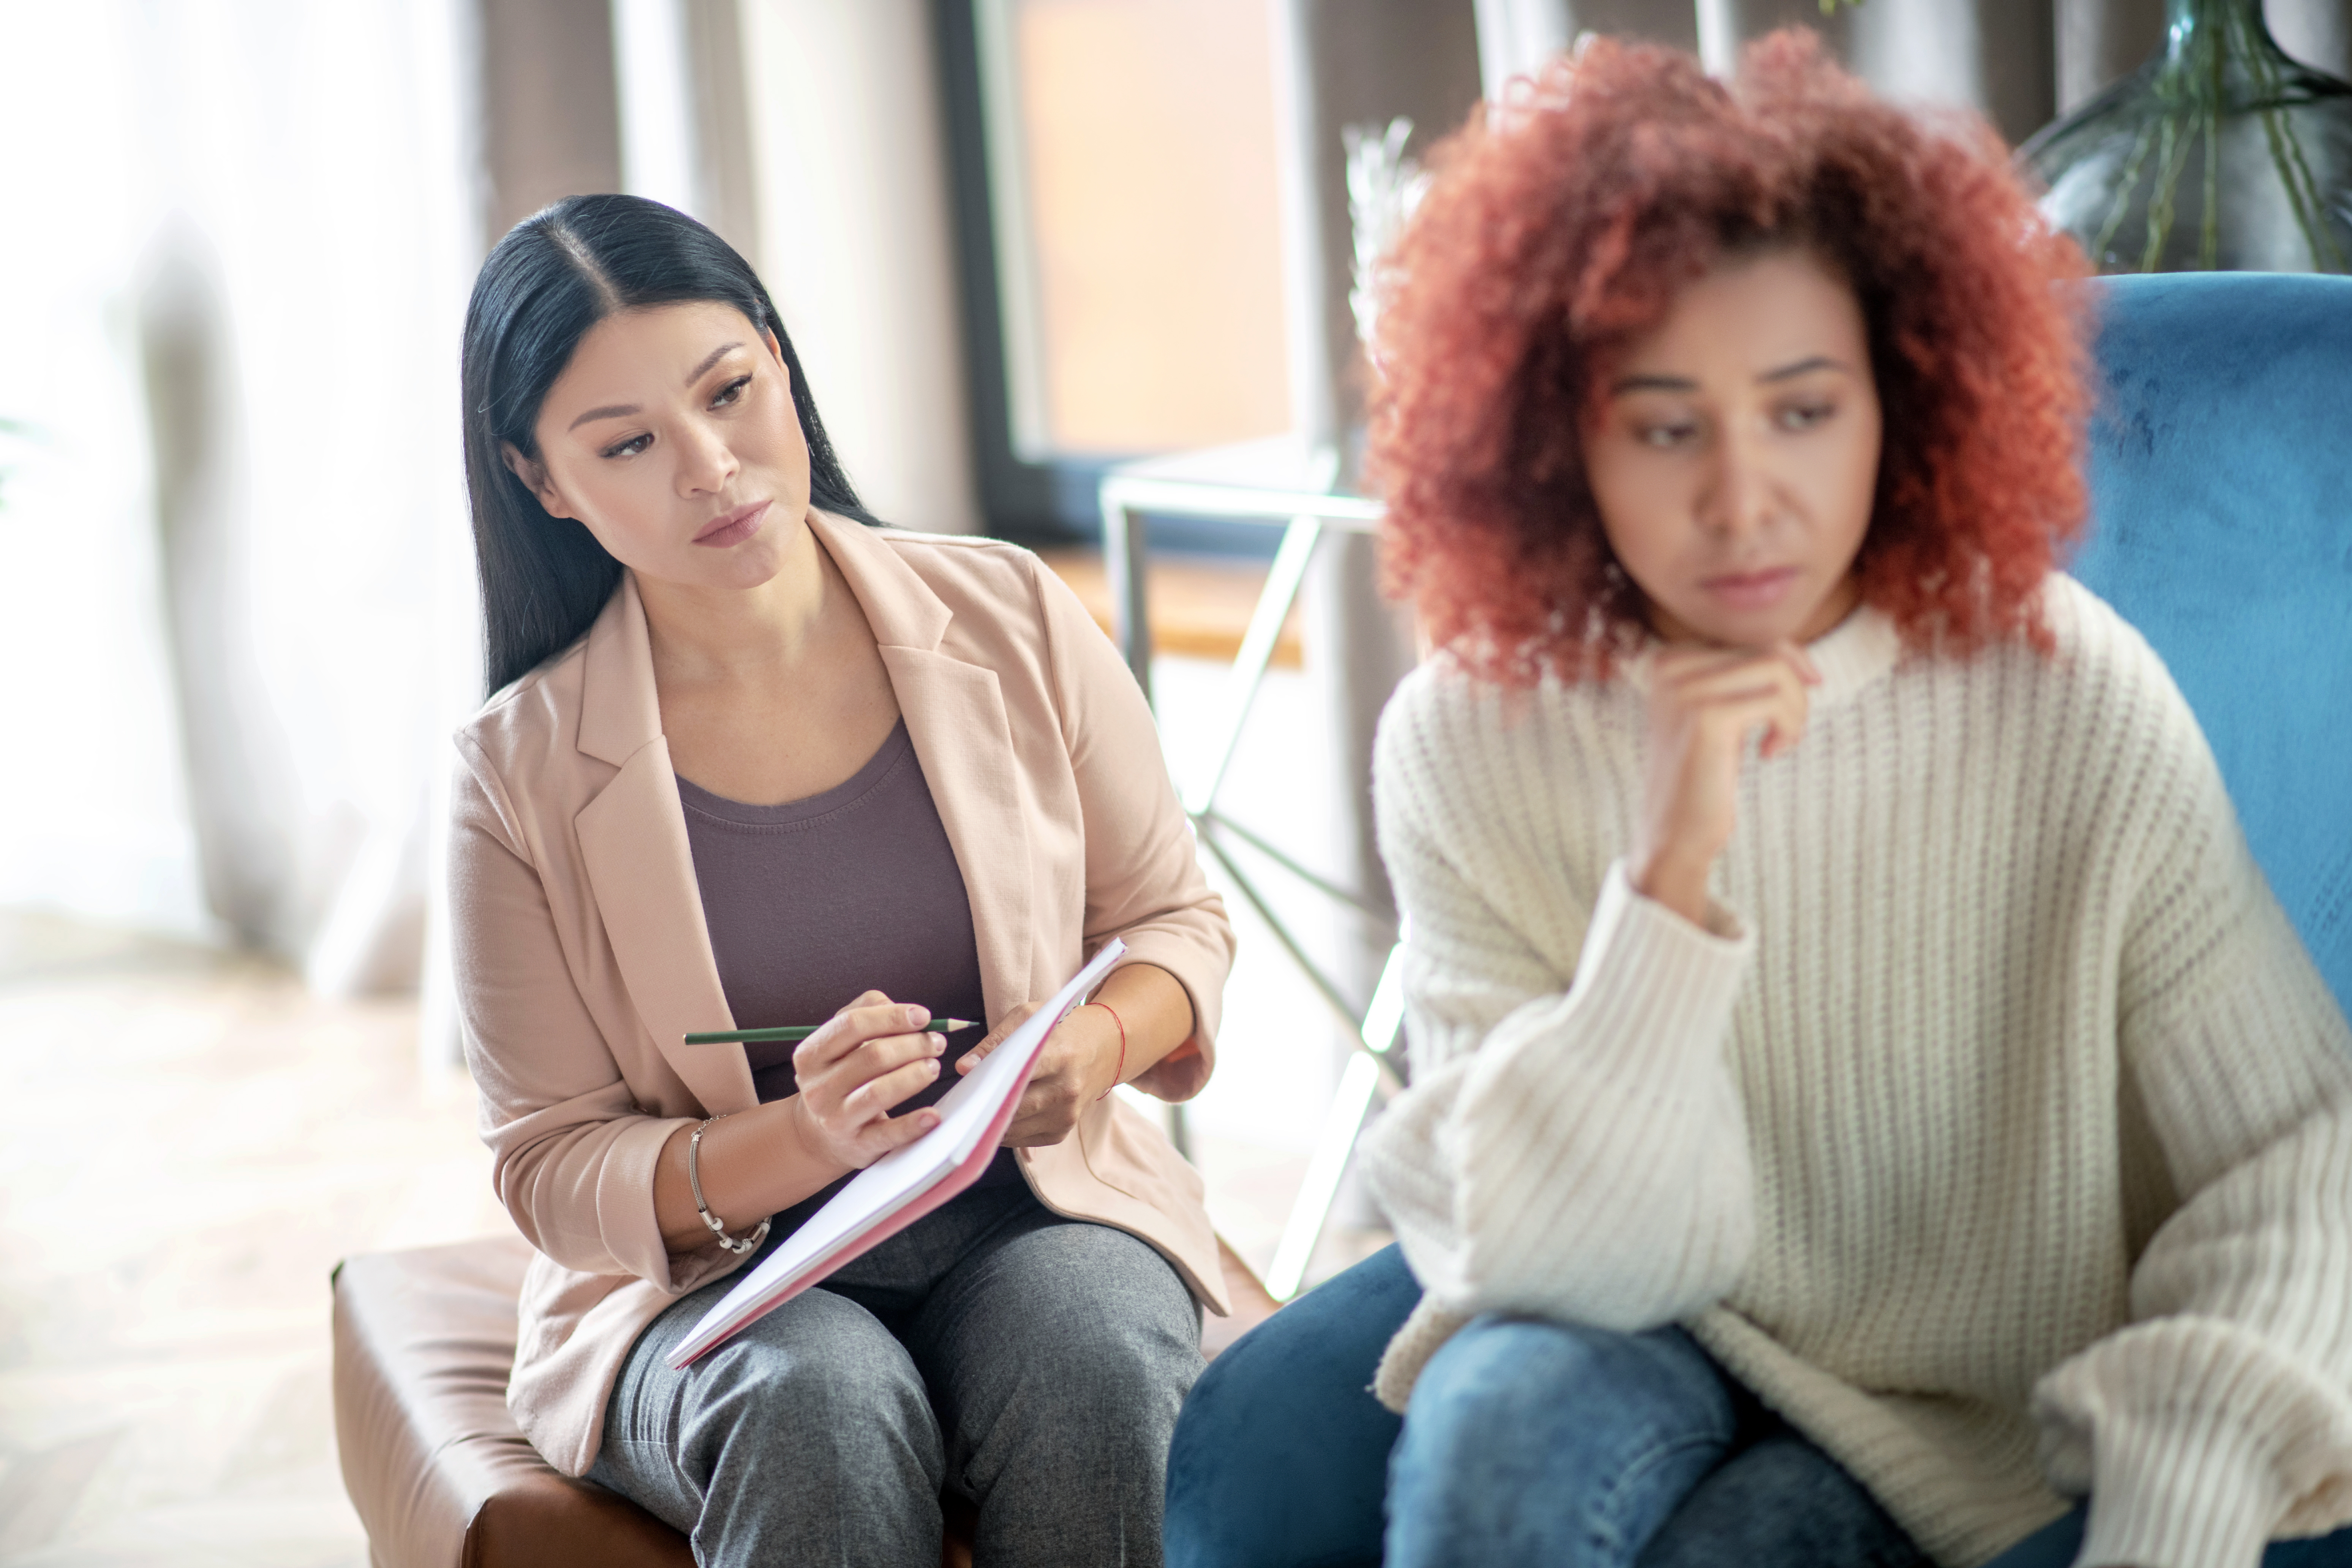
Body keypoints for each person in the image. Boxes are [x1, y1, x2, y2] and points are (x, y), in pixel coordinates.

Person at [1164, 33, 2352, 1568]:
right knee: (1494, 1438)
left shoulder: (2062, 688)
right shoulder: (1469, 734)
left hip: (1974, 1388)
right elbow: (1529, 1245)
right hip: (1638, 1308)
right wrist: (1667, 877)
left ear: (1902, 403)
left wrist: (2177, 1499)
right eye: (1667, 426)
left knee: (1754, 1539)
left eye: (1803, 411)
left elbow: (2296, 1150)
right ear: (1558, 436)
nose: (1743, 498)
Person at [450, 194, 1233, 1568]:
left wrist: (1092, 1049)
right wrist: (804, 1144)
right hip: (709, 1282)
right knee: (815, 1399)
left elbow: (1175, 921)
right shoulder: (515, 774)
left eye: (731, 394)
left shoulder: (1013, 617)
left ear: (780, 363)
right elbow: (549, 1162)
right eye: (628, 444)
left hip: (1032, 1208)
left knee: (1097, 1354)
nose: (710, 467)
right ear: (544, 481)